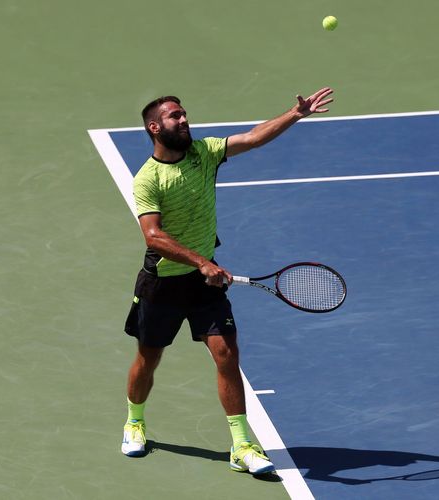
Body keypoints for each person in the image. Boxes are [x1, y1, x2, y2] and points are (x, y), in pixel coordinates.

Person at [121, 88, 334, 475]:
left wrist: (294, 114)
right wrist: (201, 261)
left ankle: (241, 445)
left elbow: (252, 138)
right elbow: (153, 237)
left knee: (227, 355)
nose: (184, 120)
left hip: (205, 284)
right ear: (155, 127)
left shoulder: (205, 152)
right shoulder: (147, 179)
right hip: (162, 284)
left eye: (184, 114)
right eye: (174, 116)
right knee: (148, 359)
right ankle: (135, 420)